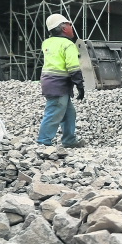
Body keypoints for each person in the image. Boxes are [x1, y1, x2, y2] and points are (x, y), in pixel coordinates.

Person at [37, 14, 86, 148]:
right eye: (70, 25)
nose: (72, 28)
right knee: (53, 113)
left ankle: (69, 140)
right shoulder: (68, 44)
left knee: (69, 113)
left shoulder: (46, 43)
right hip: (59, 84)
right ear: (64, 28)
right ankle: (43, 143)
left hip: (49, 82)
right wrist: (80, 85)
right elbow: (73, 67)